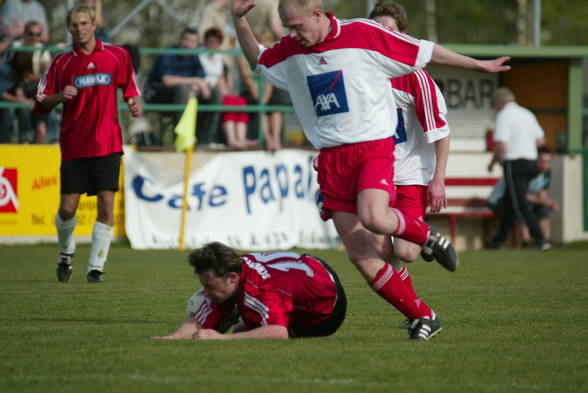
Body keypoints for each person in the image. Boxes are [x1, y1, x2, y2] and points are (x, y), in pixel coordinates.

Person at [232, 0, 509, 339]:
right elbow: (258, 59)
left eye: (297, 25)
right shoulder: (292, 49)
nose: (292, 34)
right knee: (362, 255)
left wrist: (479, 67)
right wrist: (239, 20)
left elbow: (426, 51)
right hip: (332, 159)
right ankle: (423, 316)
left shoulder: (362, 34)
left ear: (317, 14)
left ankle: (427, 237)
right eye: (287, 27)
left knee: (376, 217)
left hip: (371, 148)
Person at [34, 4, 142, 283]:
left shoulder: (117, 55)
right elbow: (41, 99)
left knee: (107, 205)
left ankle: (96, 268)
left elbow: (130, 87)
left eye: (84, 23)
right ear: (69, 29)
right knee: (68, 208)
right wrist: (60, 95)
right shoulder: (61, 62)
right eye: (74, 25)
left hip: (107, 142)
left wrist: (132, 101)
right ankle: (66, 252)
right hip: (74, 144)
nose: (80, 29)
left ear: (94, 25)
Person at [152, 242, 346, 340]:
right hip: (310, 268)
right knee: (222, 303)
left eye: (209, 286)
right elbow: (199, 321)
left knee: (243, 330)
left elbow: (278, 332)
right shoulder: (233, 268)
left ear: (233, 278)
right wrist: (174, 337)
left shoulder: (260, 290)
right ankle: (239, 312)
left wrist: (222, 339)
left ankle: (241, 315)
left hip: (328, 311)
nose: (206, 292)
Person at [485, 87, 550, 250]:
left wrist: (493, 162)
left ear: (499, 103)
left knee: (518, 204)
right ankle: (499, 240)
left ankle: (540, 238)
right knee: (510, 200)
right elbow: (541, 140)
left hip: (514, 163)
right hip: (531, 162)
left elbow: (501, 145)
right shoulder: (527, 114)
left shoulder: (503, 116)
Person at [144, 27, 218, 147]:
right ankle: (178, 140)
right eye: (186, 40)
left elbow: (202, 82)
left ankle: (206, 141)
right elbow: (167, 80)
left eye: (192, 41)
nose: (188, 44)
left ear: (196, 44)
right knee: (182, 89)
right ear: (181, 40)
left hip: (187, 95)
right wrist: (196, 82)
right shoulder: (168, 52)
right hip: (159, 94)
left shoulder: (195, 57)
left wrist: (195, 87)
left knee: (215, 93)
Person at [488, 146, 559, 248]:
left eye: (548, 162)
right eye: (542, 161)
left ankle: (545, 241)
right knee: (519, 208)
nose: (545, 164)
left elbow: (542, 194)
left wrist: (548, 202)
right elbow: (521, 197)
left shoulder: (547, 173)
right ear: (535, 160)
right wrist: (545, 201)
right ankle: (527, 242)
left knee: (542, 209)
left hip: (517, 201)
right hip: (499, 200)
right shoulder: (524, 172)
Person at [9, 20, 53, 143]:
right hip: (18, 86)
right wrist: (19, 90)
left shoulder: (43, 49)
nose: (34, 38)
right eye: (30, 34)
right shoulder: (16, 48)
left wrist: (34, 76)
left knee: (46, 99)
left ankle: (43, 131)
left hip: (36, 87)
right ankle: (26, 140)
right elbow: (14, 73)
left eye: (37, 35)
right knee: (23, 108)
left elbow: (48, 72)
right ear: (24, 33)